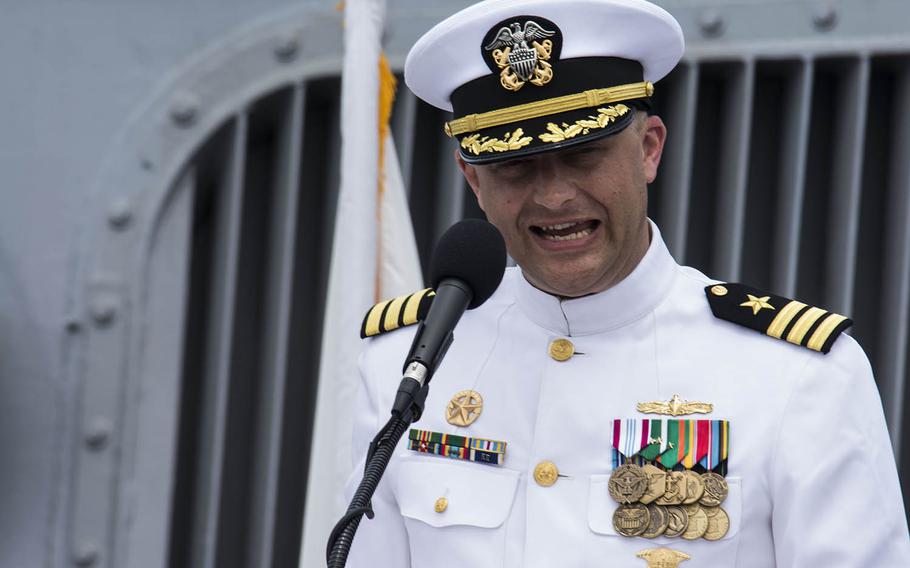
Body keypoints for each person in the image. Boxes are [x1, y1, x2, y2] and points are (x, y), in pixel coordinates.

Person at [344, 0, 910, 566]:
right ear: (472, 178)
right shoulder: (405, 362)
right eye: (514, 165)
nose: (554, 196)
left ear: (648, 148)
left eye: (583, 153)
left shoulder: (800, 377)